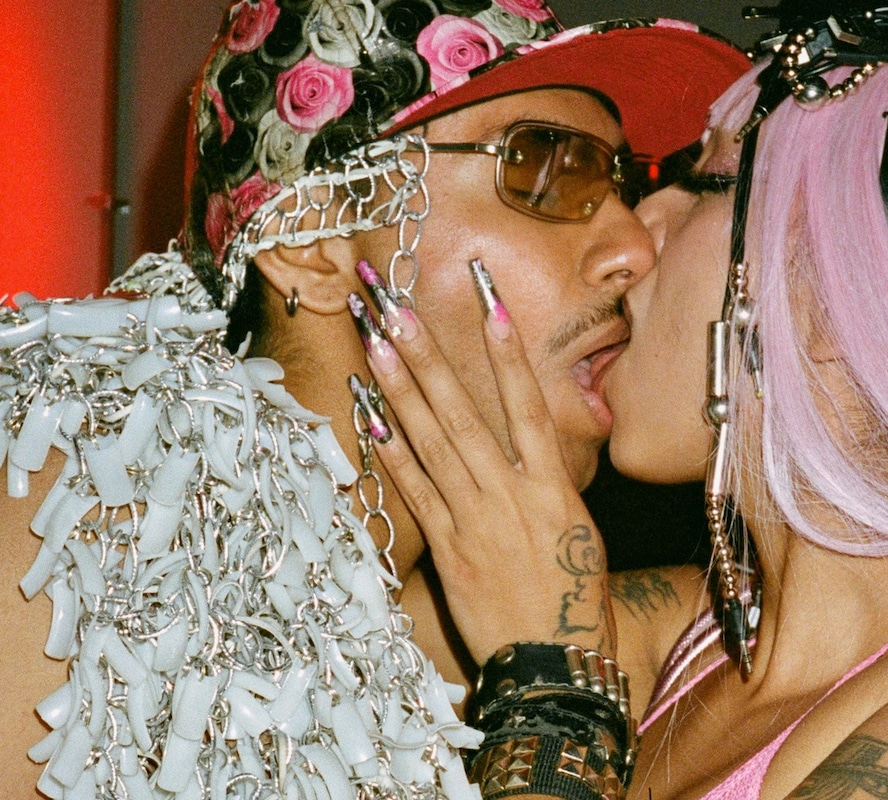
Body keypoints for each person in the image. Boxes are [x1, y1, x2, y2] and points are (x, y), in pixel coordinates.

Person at [357, 1, 888, 798]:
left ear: (842, 289)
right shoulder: (676, 640)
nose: (639, 228)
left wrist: (551, 692)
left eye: (707, 181)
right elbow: (309, 630)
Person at [0, 1, 748, 797]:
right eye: (545, 166)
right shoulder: (68, 539)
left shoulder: (421, 624)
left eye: (620, 181)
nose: (633, 245)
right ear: (313, 246)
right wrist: (552, 704)